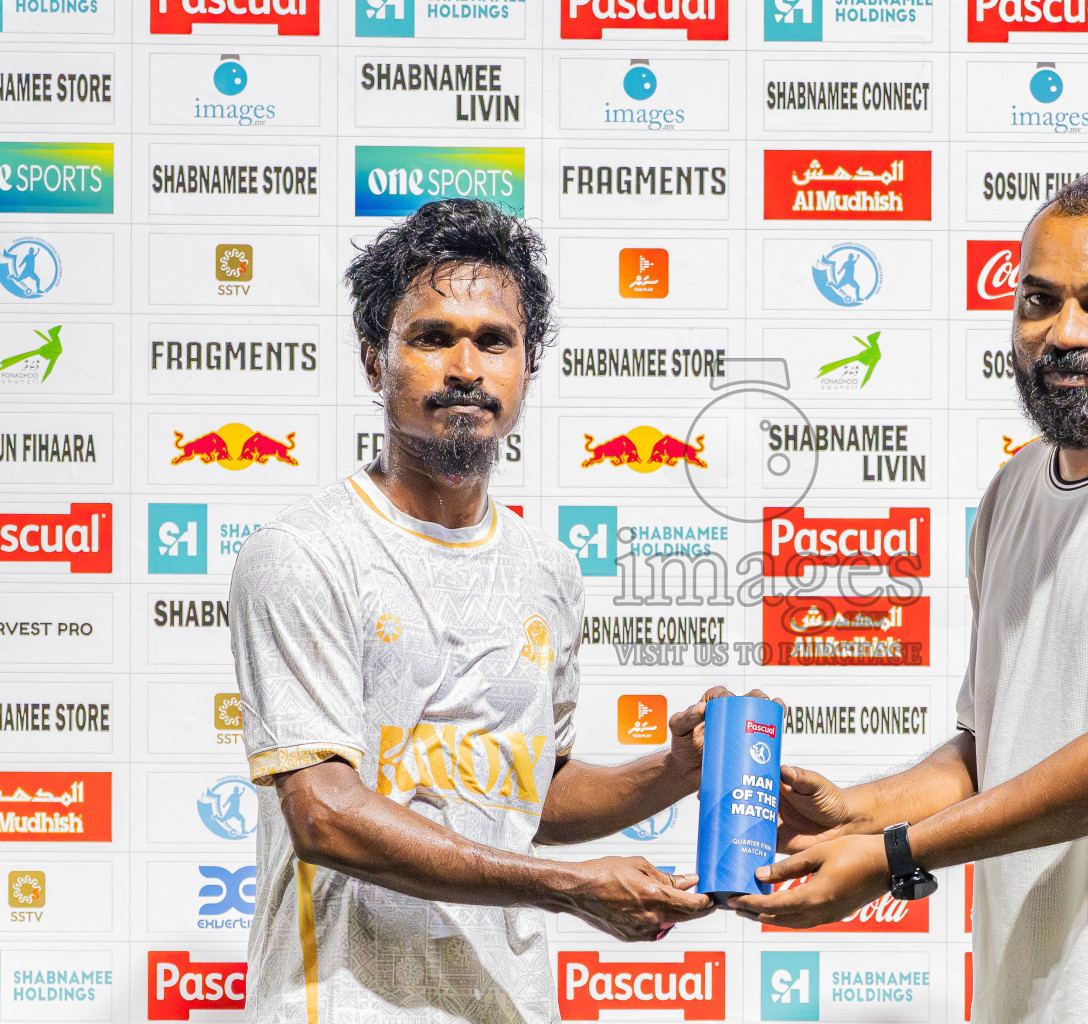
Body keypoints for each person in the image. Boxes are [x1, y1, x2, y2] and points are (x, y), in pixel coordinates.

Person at [731, 172, 1088, 1023]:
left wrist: (893, 856)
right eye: (1038, 301)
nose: (1064, 333)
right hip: (1036, 996)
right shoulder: (1014, 492)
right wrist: (857, 814)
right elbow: (991, 748)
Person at [229, 199, 744, 1024]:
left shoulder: (550, 570)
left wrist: (675, 770)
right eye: (432, 337)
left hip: (508, 1006)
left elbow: (529, 796)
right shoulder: (304, 552)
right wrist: (568, 889)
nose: (466, 365)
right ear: (374, 360)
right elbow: (325, 813)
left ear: (526, 368)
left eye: (494, 341)